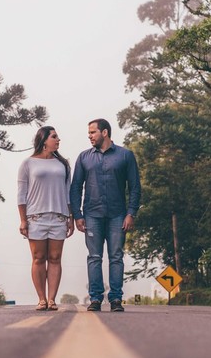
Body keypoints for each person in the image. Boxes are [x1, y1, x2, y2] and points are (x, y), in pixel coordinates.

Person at [69, 118, 141, 312]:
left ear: (105, 132)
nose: (89, 136)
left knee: (116, 256)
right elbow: (75, 187)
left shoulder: (125, 155)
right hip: (92, 215)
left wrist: (131, 213)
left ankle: (116, 299)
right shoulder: (84, 157)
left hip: (118, 215)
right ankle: (95, 299)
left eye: (93, 132)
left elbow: (135, 187)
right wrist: (77, 215)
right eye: (89, 133)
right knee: (94, 257)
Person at [17, 125, 74, 311]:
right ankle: (41, 299)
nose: (58, 140)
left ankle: (52, 299)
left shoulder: (63, 164)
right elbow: (21, 194)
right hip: (35, 217)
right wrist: (23, 219)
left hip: (58, 217)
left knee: (55, 257)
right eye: (54, 137)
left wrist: (70, 217)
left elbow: (68, 193)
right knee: (38, 258)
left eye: (57, 137)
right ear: (43, 141)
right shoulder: (28, 163)